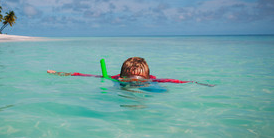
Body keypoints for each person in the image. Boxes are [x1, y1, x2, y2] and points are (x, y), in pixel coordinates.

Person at [47, 57, 193, 84]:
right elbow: (84, 75)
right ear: (122, 77)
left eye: (140, 79)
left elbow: (172, 81)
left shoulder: (152, 81)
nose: (135, 82)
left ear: (147, 78)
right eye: (130, 79)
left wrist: (195, 82)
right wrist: (59, 73)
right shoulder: (115, 79)